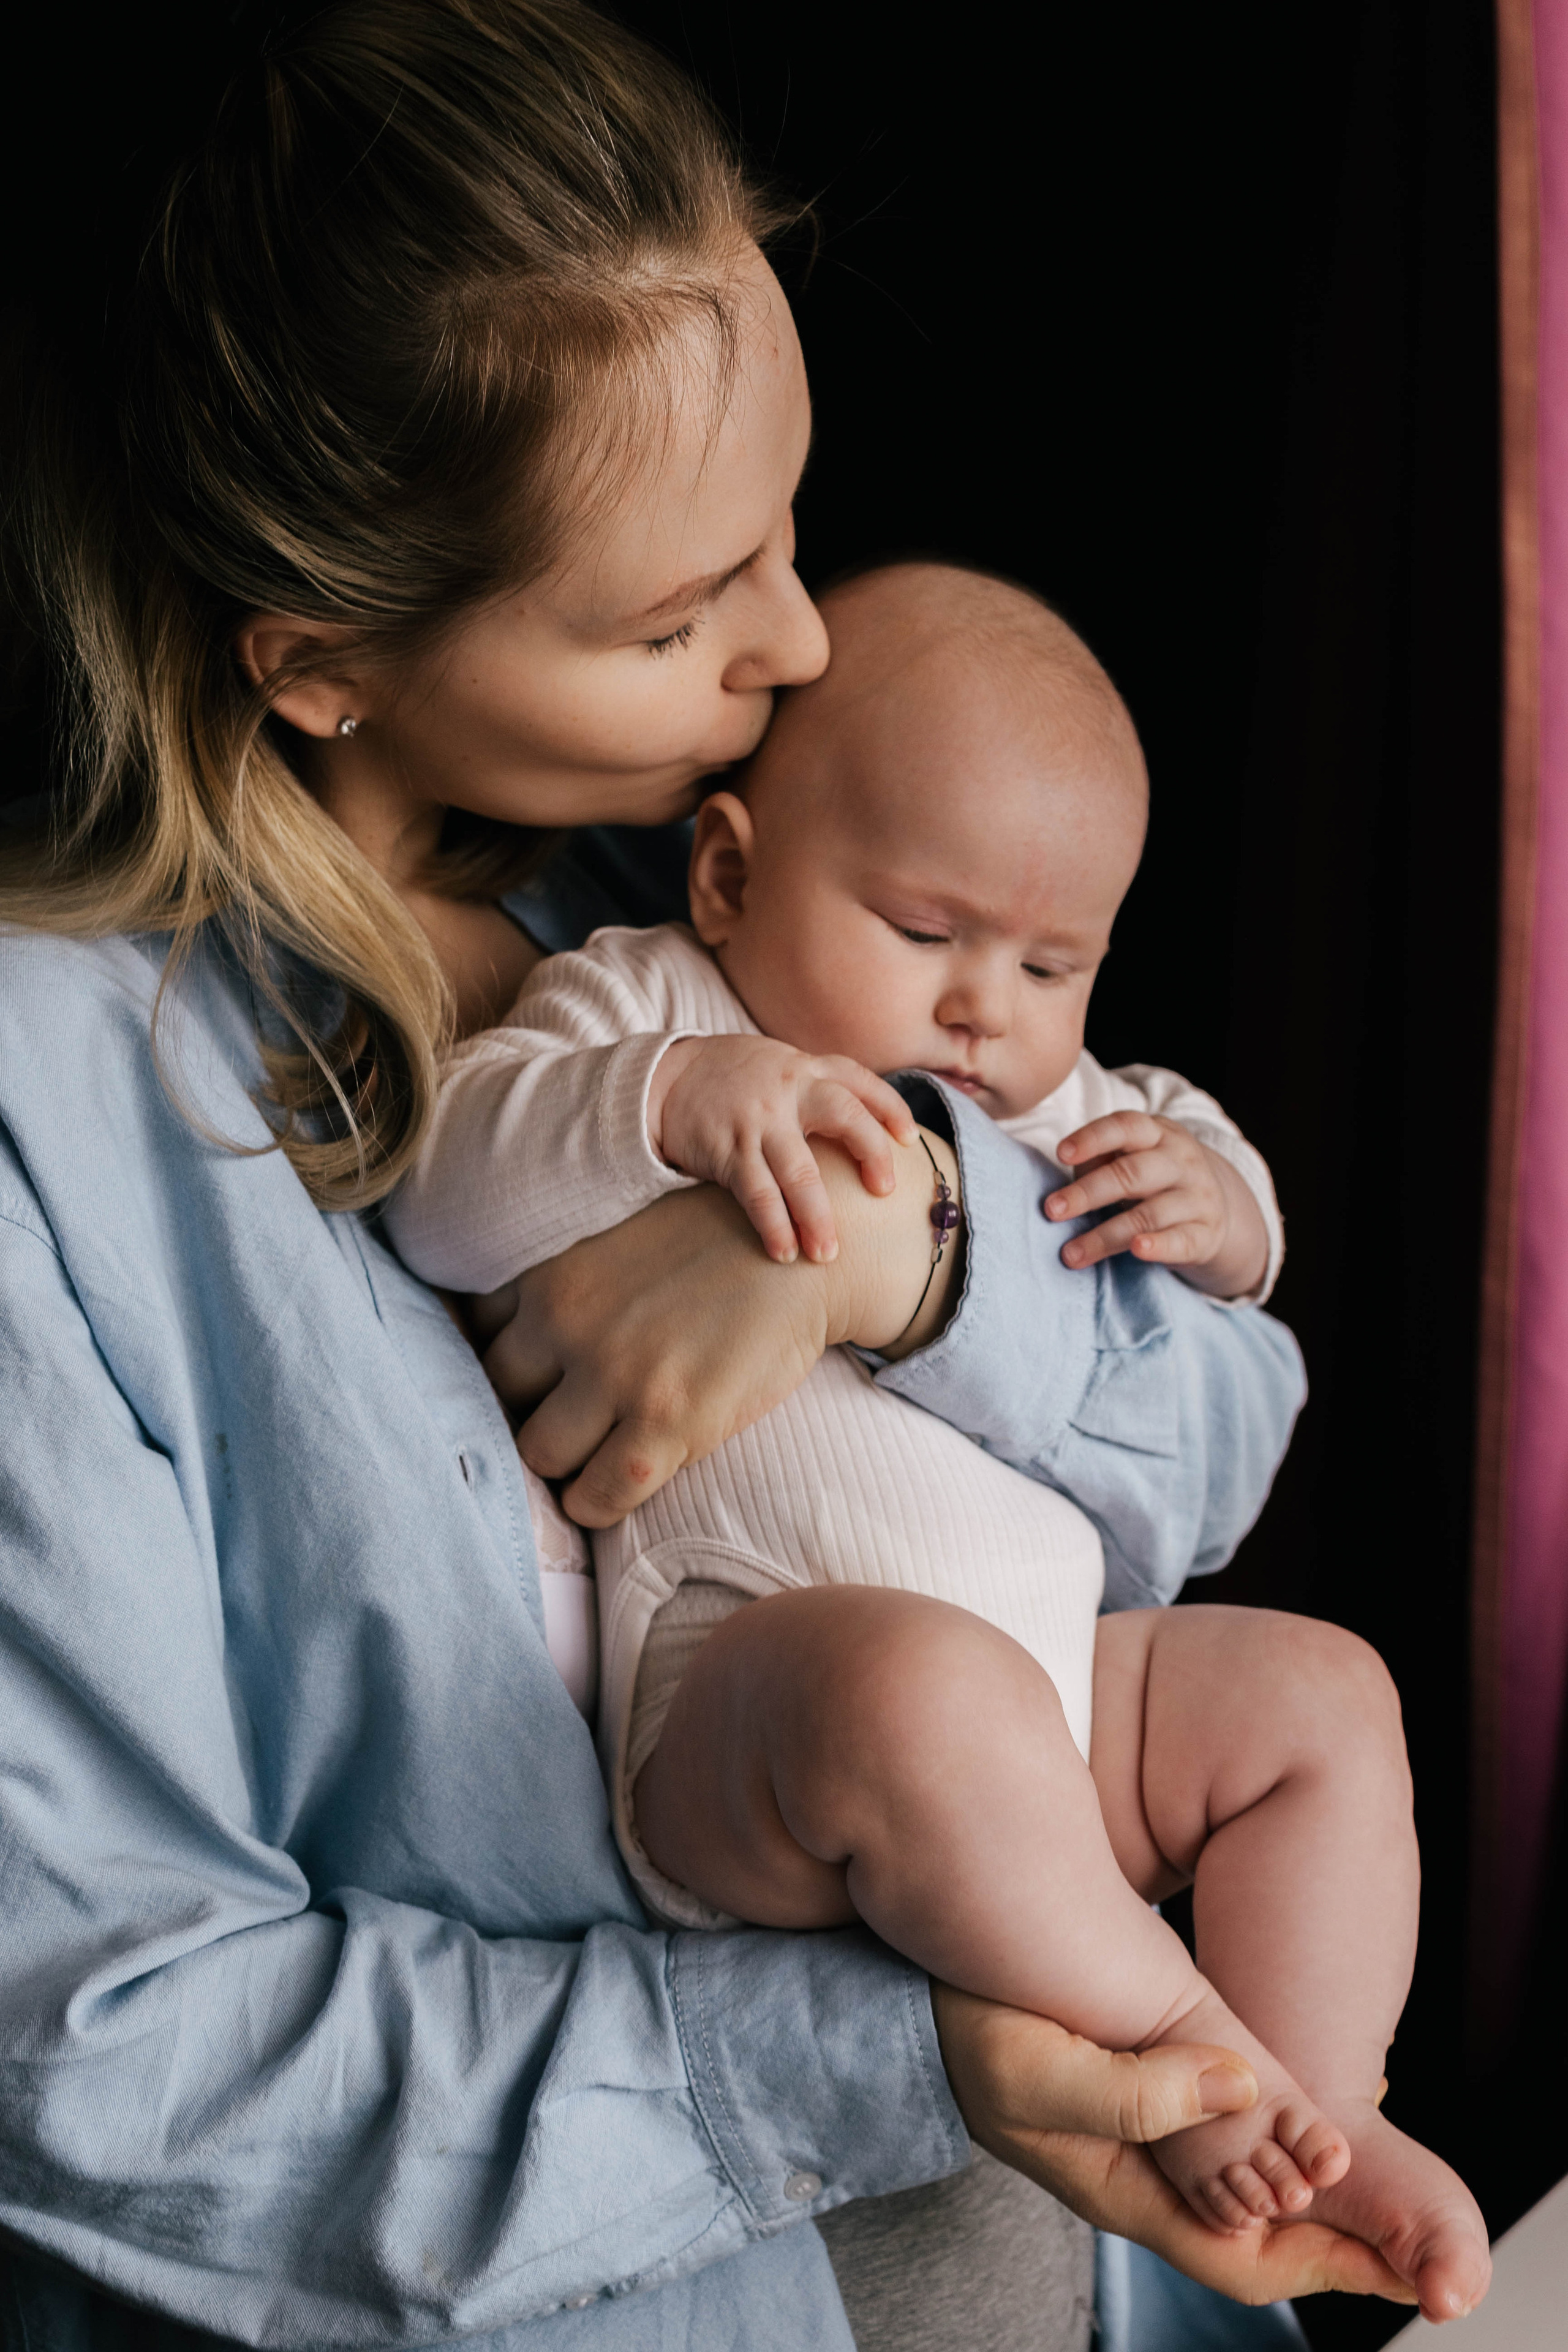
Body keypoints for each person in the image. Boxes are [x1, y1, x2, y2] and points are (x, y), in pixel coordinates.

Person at [0, 1, 1420, 2343]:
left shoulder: (713, 883)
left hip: (1091, 2276)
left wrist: (905, 1258)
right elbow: (102, 2061)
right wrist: (907, 2056)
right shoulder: (66, 1128)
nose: (797, 637)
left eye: (783, 526)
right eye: (674, 614)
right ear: (324, 662)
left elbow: (1210, 1443)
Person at [386, 561, 1490, 2324]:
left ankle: (1327, 2103)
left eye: (1053, 964)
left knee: (1323, 1697)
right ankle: (1190, 2059)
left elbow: (1231, 1295)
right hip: (752, 1700)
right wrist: (668, 1102)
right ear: (733, 874)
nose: (987, 1011)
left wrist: (1225, 1207)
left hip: (1061, 1712)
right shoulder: (656, 1001)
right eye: (926, 935)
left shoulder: (1055, 1106)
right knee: (918, 1696)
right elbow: (448, 1186)